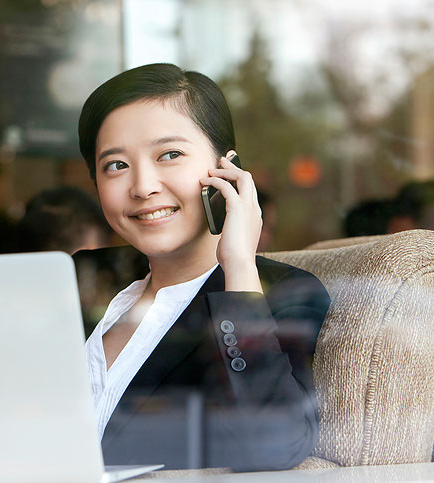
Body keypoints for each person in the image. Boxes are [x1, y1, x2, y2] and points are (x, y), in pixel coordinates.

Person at [73, 63, 330, 471]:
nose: (142, 186)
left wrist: (240, 269)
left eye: (170, 155)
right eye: (116, 165)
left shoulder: (283, 293)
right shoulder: (79, 282)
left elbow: (273, 447)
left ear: (227, 169)